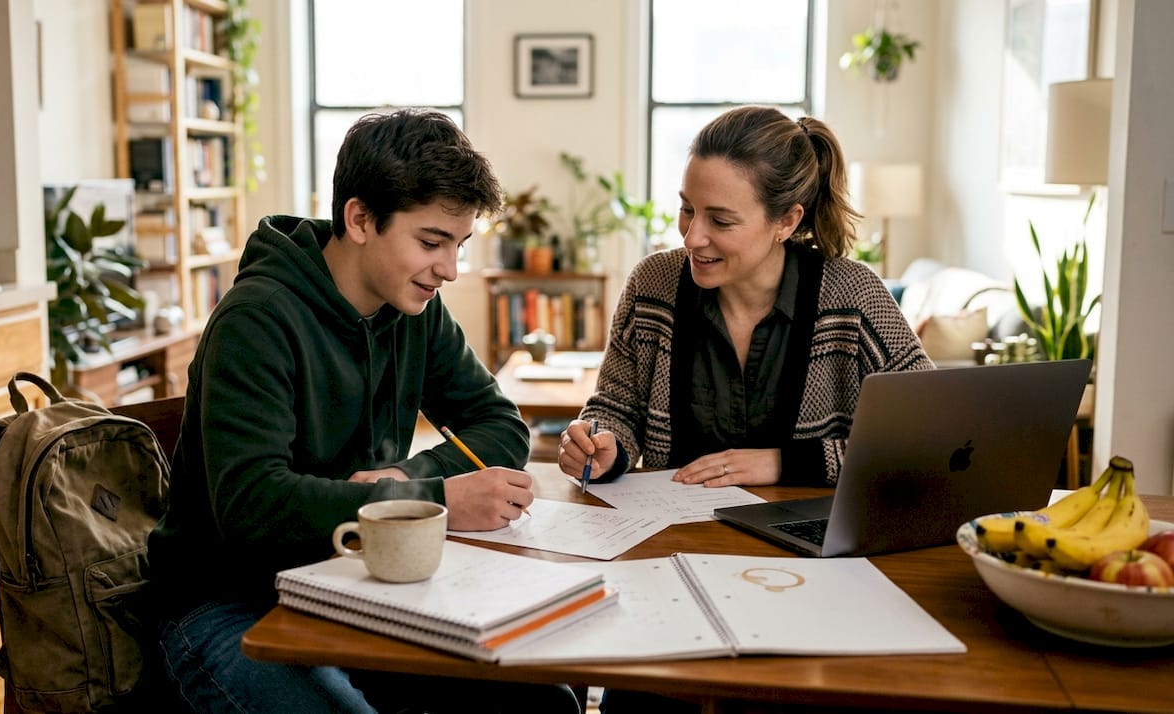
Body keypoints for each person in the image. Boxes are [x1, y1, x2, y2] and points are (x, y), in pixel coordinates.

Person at [148, 109, 580, 713]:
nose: (449, 270)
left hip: (350, 578)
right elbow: (251, 506)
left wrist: (408, 481)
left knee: (542, 705)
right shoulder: (257, 321)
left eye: (459, 245)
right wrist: (435, 503)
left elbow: (499, 425)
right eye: (431, 242)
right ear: (359, 219)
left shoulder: (415, 309)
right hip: (223, 600)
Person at [561, 106, 931, 713]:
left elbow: (931, 441)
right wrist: (605, 443)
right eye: (687, 208)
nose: (692, 235)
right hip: (667, 568)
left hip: (810, 583)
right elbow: (614, 404)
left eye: (720, 220)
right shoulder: (654, 283)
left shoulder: (853, 295)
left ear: (787, 220)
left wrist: (788, 461)